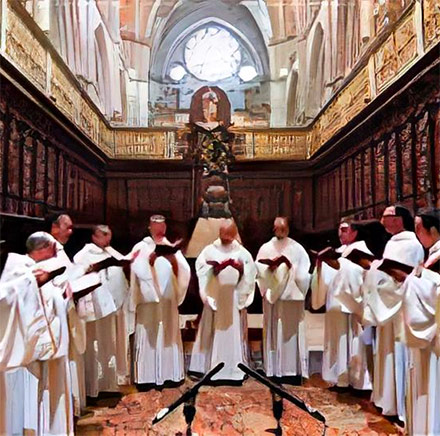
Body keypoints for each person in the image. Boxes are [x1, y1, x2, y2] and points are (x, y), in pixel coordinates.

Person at [0, 232, 74, 436]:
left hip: (45, 347)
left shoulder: (38, 270)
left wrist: (63, 296)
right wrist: (35, 282)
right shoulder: (18, 269)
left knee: (44, 397)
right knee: (26, 403)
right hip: (25, 352)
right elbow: (9, 300)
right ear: (44, 249)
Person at [363, 205, 424, 422]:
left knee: (398, 355)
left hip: (399, 307)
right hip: (387, 305)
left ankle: (399, 405)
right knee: (385, 353)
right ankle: (386, 399)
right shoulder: (392, 243)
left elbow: (409, 278)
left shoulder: (411, 244)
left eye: (386, 216)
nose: (382, 220)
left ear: (398, 219)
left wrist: (381, 276)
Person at [311, 219, 384, 390]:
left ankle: (357, 381)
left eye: (344, 229)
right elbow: (326, 279)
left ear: (355, 232)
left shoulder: (361, 252)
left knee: (354, 342)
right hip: (335, 305)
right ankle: (339, 378)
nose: (340, 233)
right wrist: (321, 265)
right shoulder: (337, 253)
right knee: (337, 343)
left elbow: (365, 276)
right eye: (339, 229)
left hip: (353, 305)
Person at [189, 220, 256, 382]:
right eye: (223, 235)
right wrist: (214, 269)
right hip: (216, 297)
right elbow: (201, 268)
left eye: (228, 235)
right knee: (212, 332)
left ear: (234, 235)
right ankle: (209, 368)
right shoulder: (209, 251)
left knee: (232, 334)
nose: (225, 238)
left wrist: (241, 270)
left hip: (233, 298)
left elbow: (250, 274)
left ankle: (233, 370)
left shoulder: (242, 253)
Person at [129, 215, 191, 386]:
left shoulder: (170, 247)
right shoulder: (141, 247)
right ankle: (146, 377)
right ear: (150, 227)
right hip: (149, 302)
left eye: (162, 226)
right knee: (149, 333)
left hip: (168, 301)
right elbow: (136, 270)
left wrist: (173, 261)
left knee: (168, 333)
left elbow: (184, 271)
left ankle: (169, 374)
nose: (160, 230)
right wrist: (150, 263)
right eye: (156, 227)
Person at [73, 225, 130, 398]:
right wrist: (93, 268)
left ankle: (108, 384)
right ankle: (93, 386)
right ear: (94, 236)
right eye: (103, 235)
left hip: (109, 307)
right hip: (92, 309)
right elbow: (78, 277)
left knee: (109, 343)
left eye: (109, 235)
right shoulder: (83, 255)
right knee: (93, 345)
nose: (107, 239)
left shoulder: (111, 253)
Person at [400, 208, 440, 435]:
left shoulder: (436, 259)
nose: (416, 233)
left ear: (432, 230)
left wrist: (411, 282)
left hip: (433, 338)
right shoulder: (431, 257)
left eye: (418, 228)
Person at [256, 217, 310, 379]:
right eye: (278, 229)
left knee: (290, 331)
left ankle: (291, 370)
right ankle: (273, 369)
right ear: (273, 229)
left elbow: (304, 273)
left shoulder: (297, 248)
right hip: (274, 297)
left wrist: (289, 268)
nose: (281, 231)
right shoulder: (266, 248)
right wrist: (271, 270)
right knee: (274, 330)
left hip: (291, 298)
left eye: (284, 229)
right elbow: (258, 269)